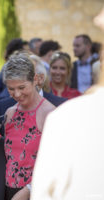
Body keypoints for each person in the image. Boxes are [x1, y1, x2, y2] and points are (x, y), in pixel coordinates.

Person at [31, 8, 104, 200]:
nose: (57, 72)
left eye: (62, 68)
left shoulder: (76, 99)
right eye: (54, 68)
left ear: (68, 71)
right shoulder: (55, 106)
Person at [0, 53, 55, 200]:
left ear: (35, 79)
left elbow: (57, 161)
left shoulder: (49, 114)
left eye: (22, 87)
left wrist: (27, 191)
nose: (17, 94)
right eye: (11, 89)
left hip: (38, 192)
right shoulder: (10, 113)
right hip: (8, 190)